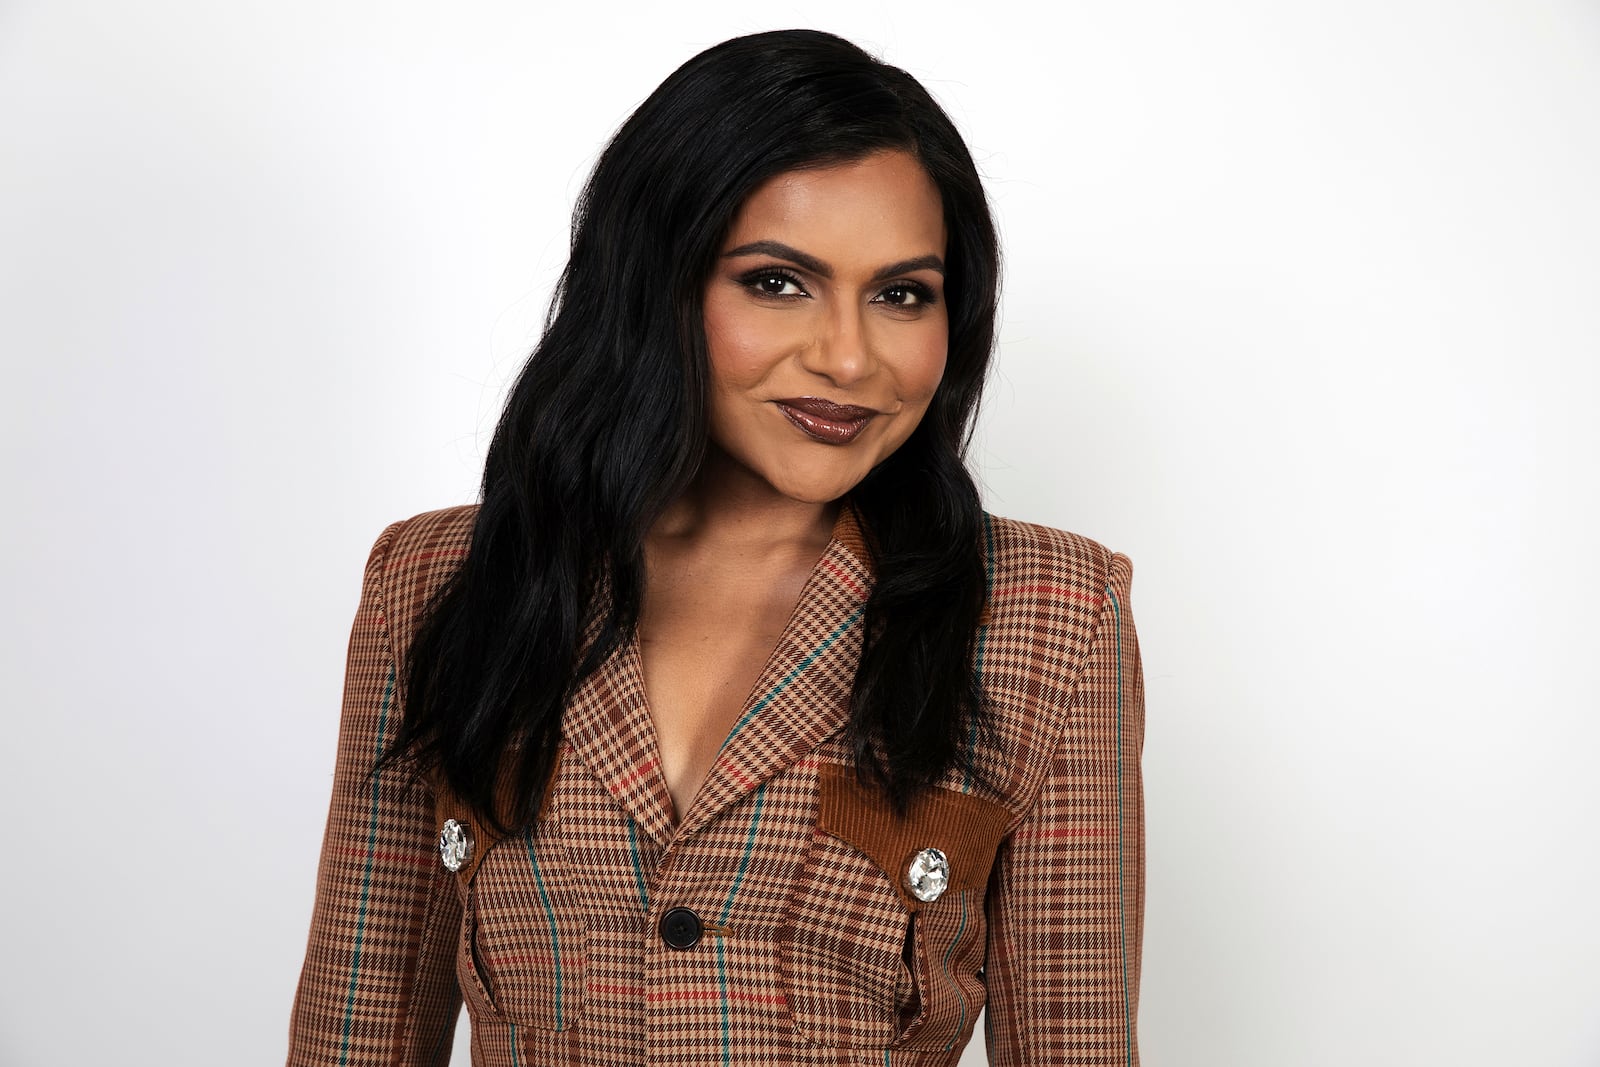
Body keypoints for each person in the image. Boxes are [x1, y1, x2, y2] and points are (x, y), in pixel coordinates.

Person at [287, 28, 1144, 1067]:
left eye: (901, 293)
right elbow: (356, 1029)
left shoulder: (1048, 613)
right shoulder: (438, 585)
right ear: (656, 286)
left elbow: (1077, 1045)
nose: (845, 355)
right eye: (777, 281)